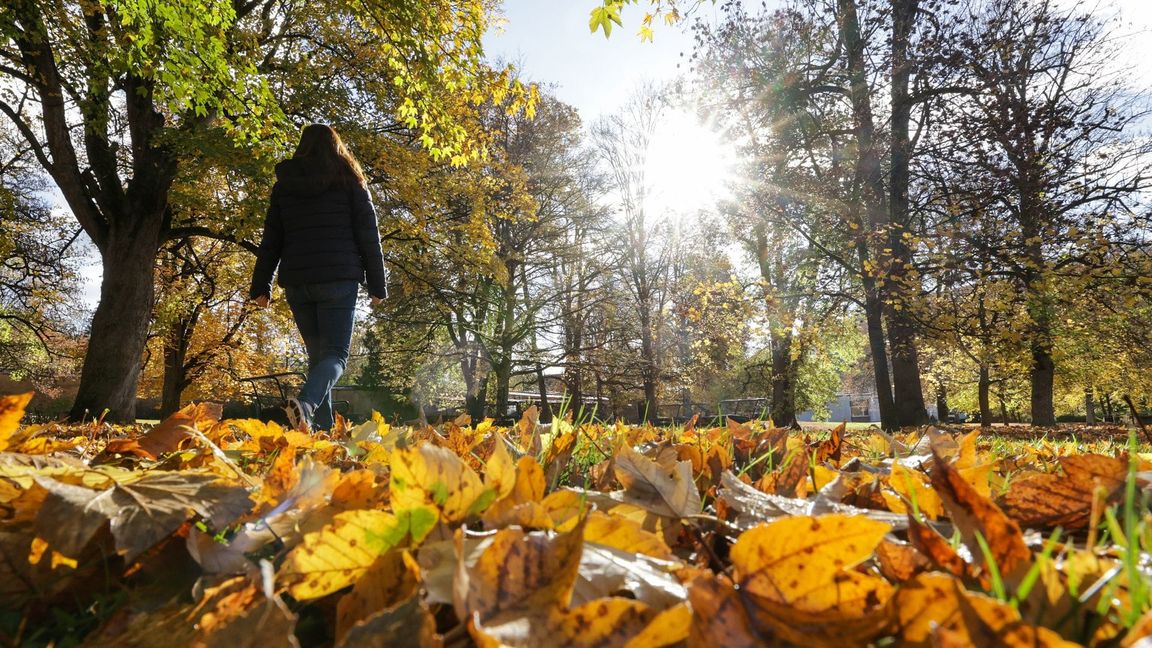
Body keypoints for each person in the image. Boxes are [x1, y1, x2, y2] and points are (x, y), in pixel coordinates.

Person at [248, 124, 387, 432]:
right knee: (335, 356)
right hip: (338, 280)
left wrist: (261, 285)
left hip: (298, 282)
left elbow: (272, 238)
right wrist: (377, 285)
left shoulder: (285, 186)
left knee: (318, 361)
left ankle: (321, 432)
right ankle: (307, 404)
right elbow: (369, 236)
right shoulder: (350, 181)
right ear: (336, 147)